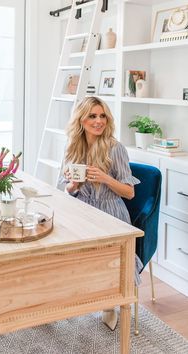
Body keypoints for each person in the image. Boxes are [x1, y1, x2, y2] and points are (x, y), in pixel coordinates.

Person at [62, 96, 143, 330]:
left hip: (110, 212)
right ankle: (74, 295)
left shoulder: (115, 148)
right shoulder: (73, 146)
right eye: (92, 116)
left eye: (102, 116)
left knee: (106, 260)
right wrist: (74, 185)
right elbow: (67, 189)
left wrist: (105, 178)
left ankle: (111, 302)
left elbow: (129, 193)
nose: (99, 121)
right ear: (81, 120)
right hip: (83, 210)